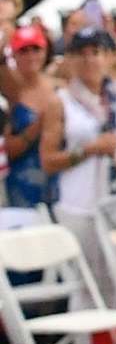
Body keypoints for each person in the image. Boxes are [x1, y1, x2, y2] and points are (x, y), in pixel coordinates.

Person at [43, 29, 116, 298]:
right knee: (87, 282)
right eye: (81, 54)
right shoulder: (61, 102)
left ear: (110, 57)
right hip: (80, 201)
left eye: (96, 53)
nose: (90, 60)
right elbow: (48, 160)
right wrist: (89, 150)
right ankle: (89, 340)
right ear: (70, 59)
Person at [3, 26, 54, 208]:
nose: (30, 56)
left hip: (60, 179)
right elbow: (9, 150)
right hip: (24, 183)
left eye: (35, 49)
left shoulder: (59, 86)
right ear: (15, 56)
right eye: (23, 51)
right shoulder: (12, 95)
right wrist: (37, 126)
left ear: (45, 51)